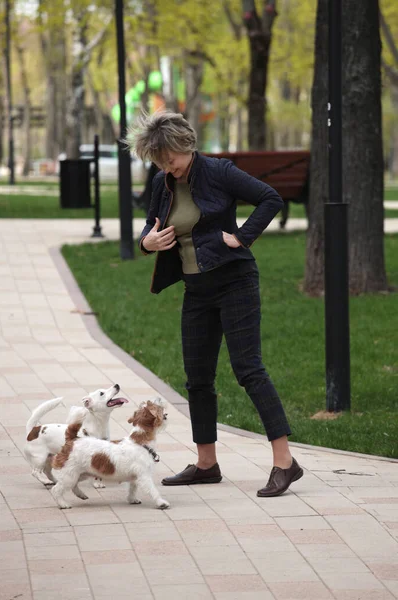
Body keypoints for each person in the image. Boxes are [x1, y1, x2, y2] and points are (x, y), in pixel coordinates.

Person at [128, 110, 303, 497]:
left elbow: (268, 199)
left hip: (234, 281)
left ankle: (285, 462)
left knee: (248, 369)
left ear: (184, 145)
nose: (165, 166)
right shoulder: (162, 182)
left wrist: (242, 237)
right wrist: (147, 243)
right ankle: (206, 463)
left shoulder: (219, 171)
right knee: (198, 378)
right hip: (197, 290)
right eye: (158, 160)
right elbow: (150, 225)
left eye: (168, 158)